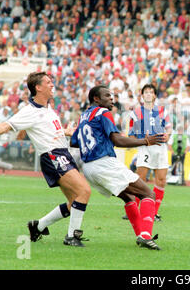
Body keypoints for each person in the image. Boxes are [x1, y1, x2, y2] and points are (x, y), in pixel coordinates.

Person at [0, 71, 92, 247]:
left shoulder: (48, 108)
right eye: (48, 82)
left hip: (62, 154)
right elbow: (5, 126)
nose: (52, 84)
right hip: (53, 156)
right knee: (84, 191)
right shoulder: (29, 111)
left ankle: (38, 226)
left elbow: (50, 129)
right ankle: (71, 237)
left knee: (75, 201)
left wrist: (66, 131)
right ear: (38, 88)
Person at [70, 85, 165, 250]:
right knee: (148, 193)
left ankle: (140, 235)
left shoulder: (84, 116)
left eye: (112, 95)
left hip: (88, 168)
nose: (111, 99)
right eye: (107, 96)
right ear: (96, 99)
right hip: (104, 163)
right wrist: (145, 141)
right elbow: (118, 140)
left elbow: (73, 141)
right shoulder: (103, 112)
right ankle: (146, 236)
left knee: (128, 197)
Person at [128, 84, 170, 221]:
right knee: (140, 178)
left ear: (155, 96)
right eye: (146, 92)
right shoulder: (136, 113)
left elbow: (169, 129)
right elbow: (131, 134)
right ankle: (134, 209)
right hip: (145, 147)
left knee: (162, 180)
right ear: (142, 95)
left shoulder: (163, 111)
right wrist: (140, 141)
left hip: (161, 148)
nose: (148, 94)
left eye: (151, 92)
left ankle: (153, 213)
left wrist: (168, 135)